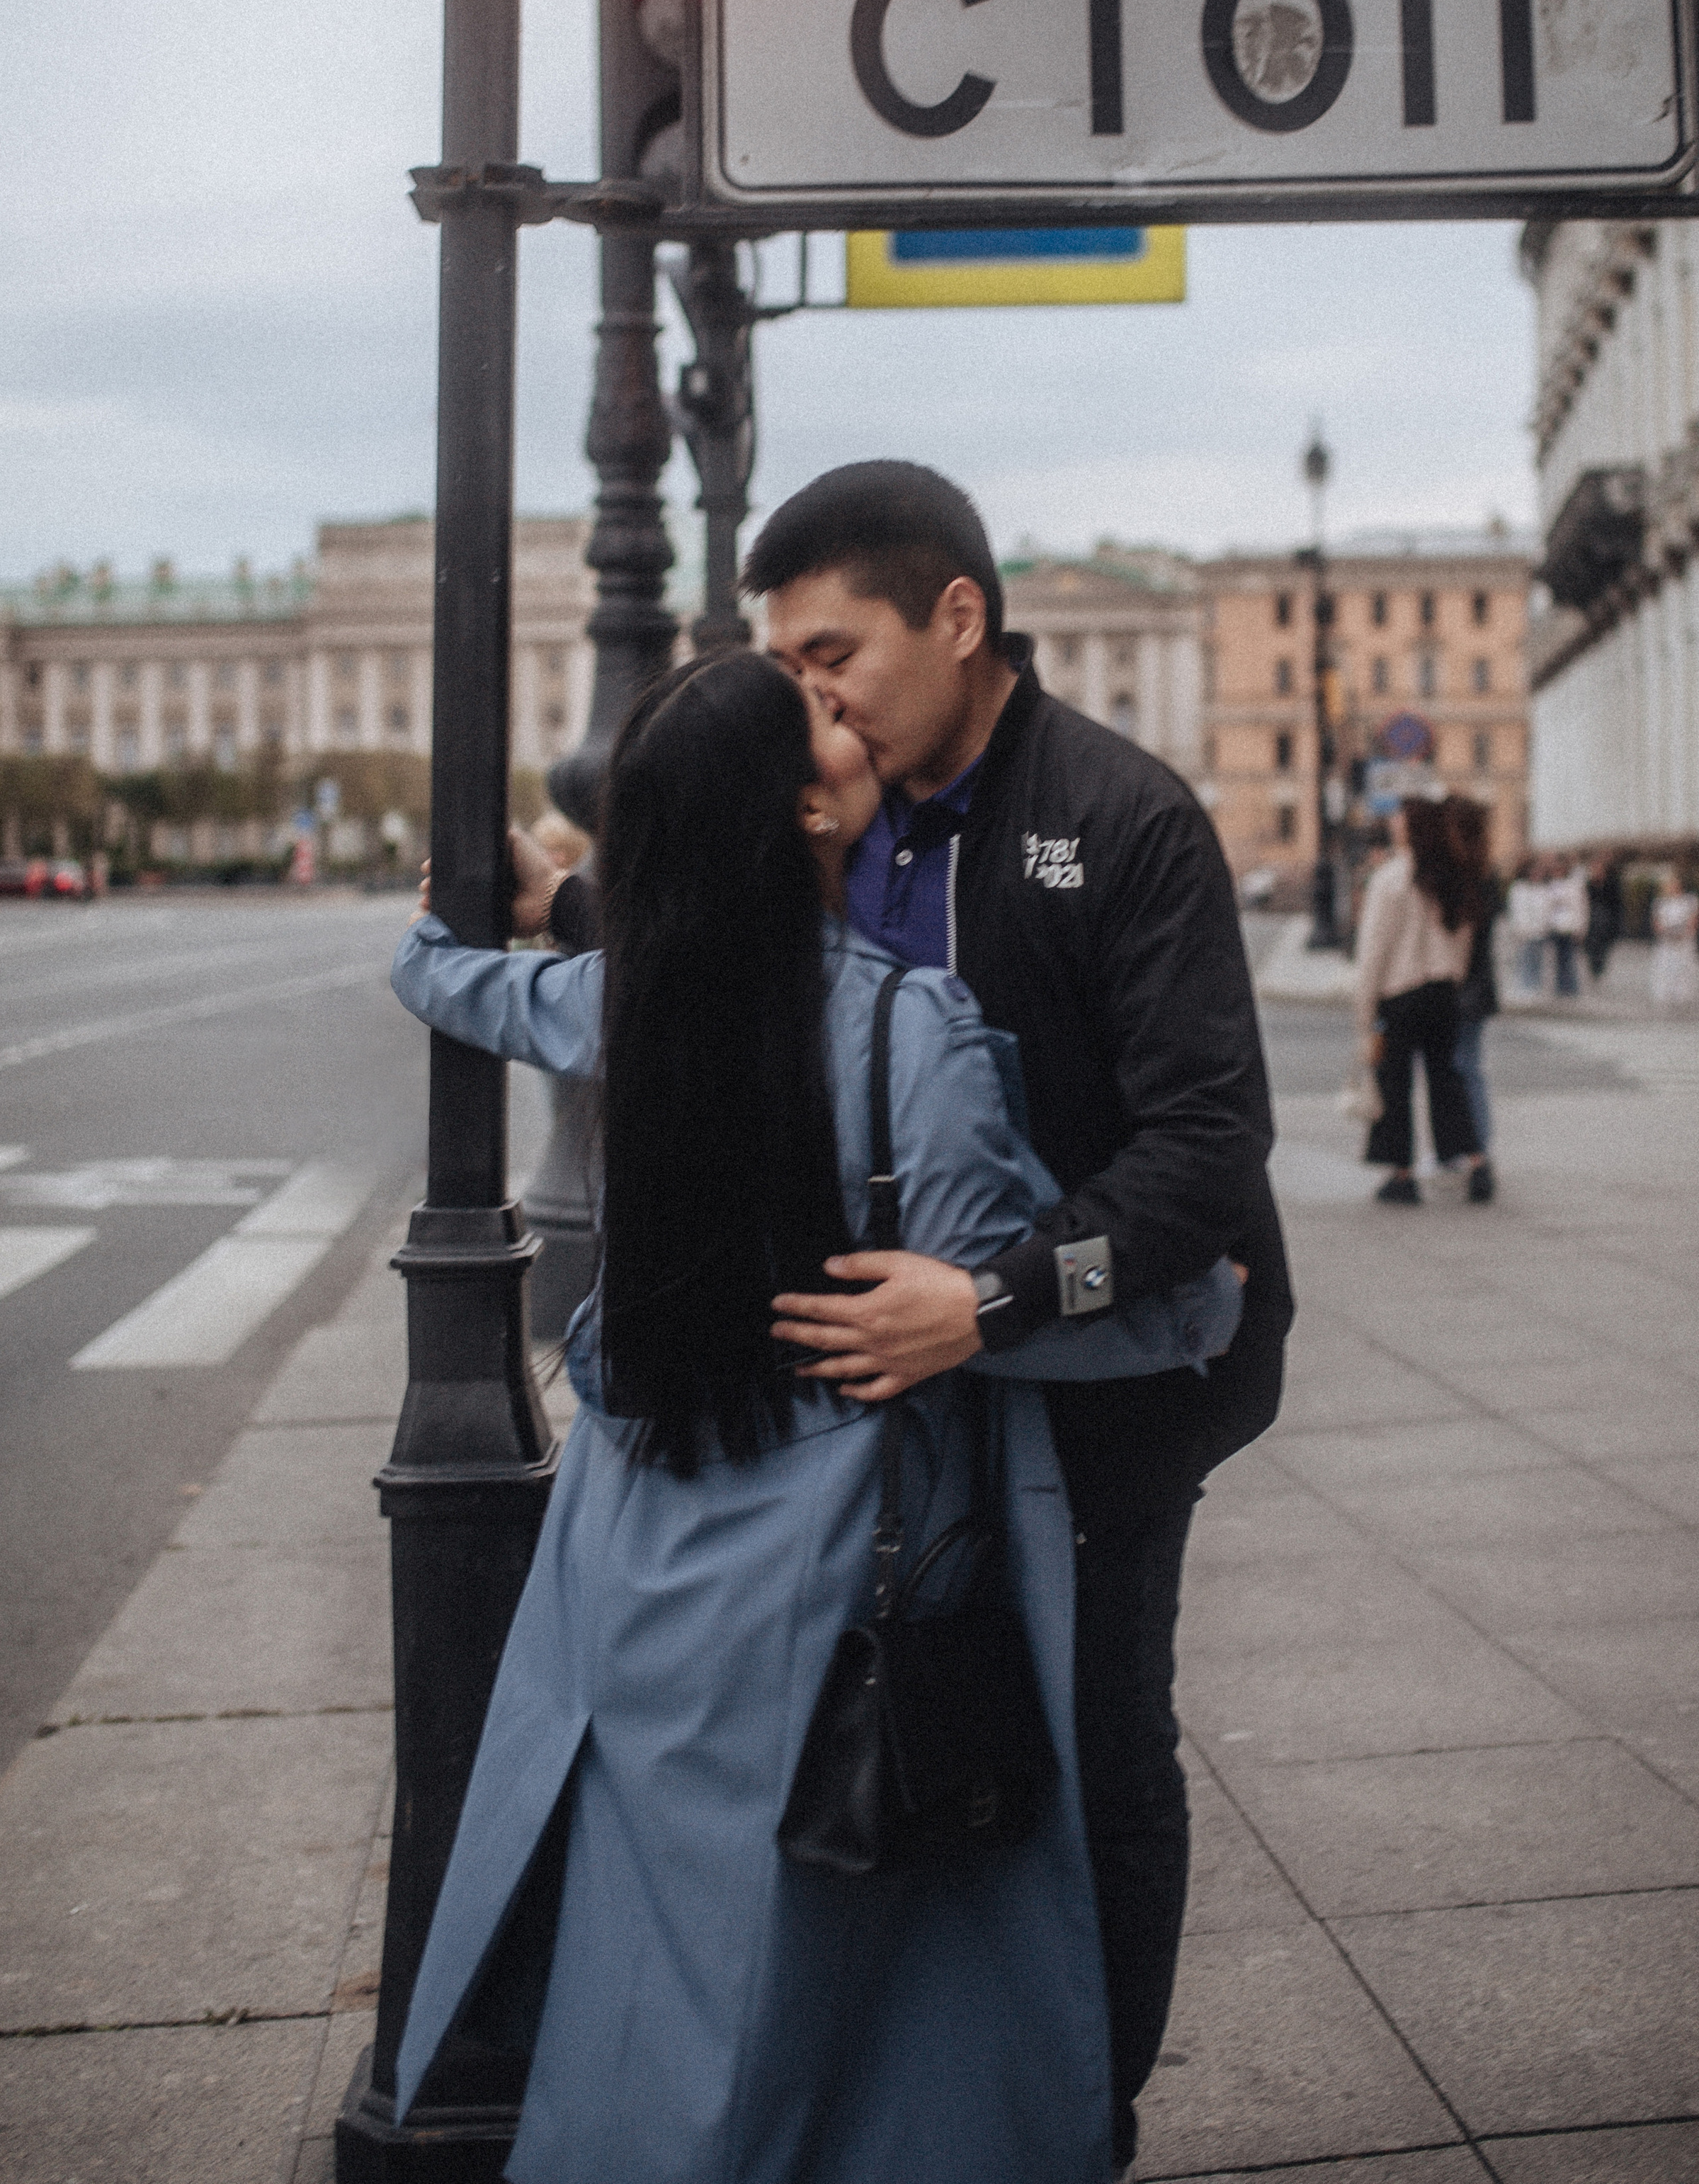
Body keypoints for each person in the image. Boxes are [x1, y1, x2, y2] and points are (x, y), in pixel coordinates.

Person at [387, 650, 1246, 2184]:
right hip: (830, 1557)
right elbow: (996, 1299)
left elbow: (457, 984)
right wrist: (1202, 1308)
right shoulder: (908, 1035)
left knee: (656, 1948)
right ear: (800, 808)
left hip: (636, 1560)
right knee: (810, 1961)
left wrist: (468, 909)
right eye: (825, 726)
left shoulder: (625, 1002)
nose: (852, 728)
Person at [729, 461, 1291, 2181]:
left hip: (1115, 1373)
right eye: (787, 667)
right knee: (912, 1724)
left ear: (955, 617)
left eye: (834, 652)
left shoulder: (1110, 816)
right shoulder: (841, 805)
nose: (808, 697)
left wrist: (991, 1298)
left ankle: (1085, 2116)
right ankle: (940, 2088)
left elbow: (1205, 1153)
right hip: (903, 1388)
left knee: (1099, 1738)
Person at [1353, 795, 1489, 1204]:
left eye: (1400, 817)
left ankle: (1402, 1174)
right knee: (1446, 1080)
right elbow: (1464, 939)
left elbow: (1374, 948)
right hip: (1444, 992)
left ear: (1411, 828)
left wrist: (1364, 1006)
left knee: (1395, 1084)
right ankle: (1476, 1163)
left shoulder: (1392, 878)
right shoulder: (1450, 876)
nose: (1393, 822)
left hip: (1401, 992)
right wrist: (1453, 978)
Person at [1444, 795, 1500, 1199]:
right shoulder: (1486, 872)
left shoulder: (1462, 876)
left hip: (1461, 985)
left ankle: (1476, 1152)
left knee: (1461, 1067)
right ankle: (1470, 1149)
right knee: (1467, 1066)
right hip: (1478, 986)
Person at [1648, 865, 1699, 1009]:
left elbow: (1694, 921)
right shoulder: (1660, 903)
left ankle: (1683, 996)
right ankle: (1665, 996)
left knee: (1684, 970)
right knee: (1666, 969)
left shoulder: (1690, 901)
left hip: (1684, 940)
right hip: (1667, 941)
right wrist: (1667, 932)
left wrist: (1684, 932)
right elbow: (1657, 923)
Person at [1507, 856, 1550, 996]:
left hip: (1539, 930)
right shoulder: (1519, 889)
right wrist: (1520, 929)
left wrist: (1545, 925)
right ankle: (1525, 988)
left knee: (1538, 961)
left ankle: (1535, 988)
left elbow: (1546, 910)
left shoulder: (1542, 889)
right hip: (1525, 931)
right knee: (1525, 960)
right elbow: (1516, 911)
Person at [1548, 853, 1589, 996]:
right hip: (1555, 926)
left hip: (1569, 927)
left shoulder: (1573, 886)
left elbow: (1581, 908)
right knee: (1558, 960)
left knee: (1569, 959)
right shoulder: (1551, 885)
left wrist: (1581, 928)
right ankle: (1560, 987)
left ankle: (1571, 988)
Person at [1584, 850, 1623, 983]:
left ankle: (1599, 970)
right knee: (1592, 949)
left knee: (1603, 949)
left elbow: (1616, 904)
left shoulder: (1612, 884)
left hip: (1606, 921)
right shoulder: (1589, 885)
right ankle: (1594, 970)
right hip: (1592, 921)